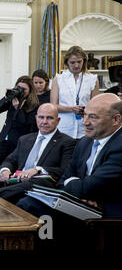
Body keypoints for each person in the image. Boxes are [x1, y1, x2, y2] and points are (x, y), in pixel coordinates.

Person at [17, 94, 122, 248]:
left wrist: (78, 187)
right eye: (84, 115)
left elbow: (88, 187)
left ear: (116, 120)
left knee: (34, 210)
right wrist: (79, 190)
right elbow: (64, 177)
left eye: (93, 117)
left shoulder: (119, 145)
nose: (85, 122)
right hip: (80, 204)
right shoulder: (84, 142)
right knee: (29, 202)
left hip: (106, 213)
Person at [0, 103, 76, 203]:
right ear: (36, 118)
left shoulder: (67, 142)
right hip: (17, 183)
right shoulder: (25, 139)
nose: (44, 122)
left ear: (58, 121)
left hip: (41, 186)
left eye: (49, 118)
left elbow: (65, 170)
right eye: (41, 117)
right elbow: (10, 160)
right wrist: (5, 170)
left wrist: (38, 169)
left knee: (36, 182)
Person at [0, 76, 39, 182]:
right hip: (5, 140)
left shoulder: (34, 105)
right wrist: (6, 97)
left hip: (20, 142)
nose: (20, 91)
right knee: (1, 166)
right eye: (18, 87)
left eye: (24, 89)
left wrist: (19, 108)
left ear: (30, 90)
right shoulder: (13, 99)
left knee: (14, 168)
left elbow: (25, 124)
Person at [50, 46, 100, 138]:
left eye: (79, 62)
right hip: (64, 129)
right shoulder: (58, 79)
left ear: (84, 61)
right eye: (72, 62)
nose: (76, 65)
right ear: (66, 63)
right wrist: (71, 109)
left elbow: (96, 107)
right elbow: (53, 106)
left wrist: (84, 111)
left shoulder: (92, 79)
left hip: (85, 128)